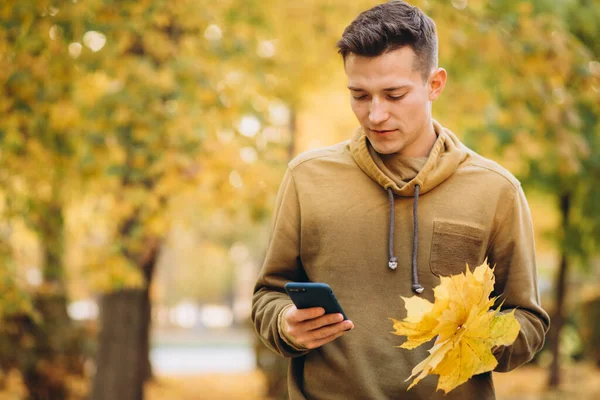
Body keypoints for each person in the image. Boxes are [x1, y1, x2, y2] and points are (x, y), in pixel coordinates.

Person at [251, 1, 550, 399]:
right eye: (359, 95)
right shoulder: (306, 179)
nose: (375, 115)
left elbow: (527, 320)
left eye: (394, 94)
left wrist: (476, 338)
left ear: (435, 84)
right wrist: (285, 323)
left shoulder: (496, 190)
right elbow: (267, 295)